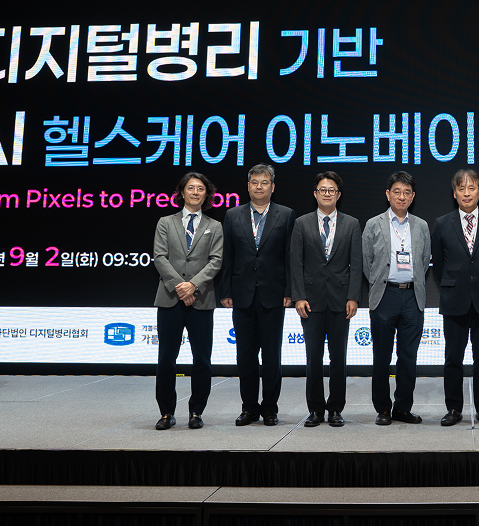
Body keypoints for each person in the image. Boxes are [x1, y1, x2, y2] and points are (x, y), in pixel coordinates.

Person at [218, 163, 297, 428]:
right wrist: (225, 290)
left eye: (264, 182)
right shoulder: (233, 214)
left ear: (272, 187)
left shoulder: (286, 215)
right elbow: (228, 256)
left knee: (272, 357)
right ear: (248, 186)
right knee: (245, 356)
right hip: (241, 294)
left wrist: (290, 291)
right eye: (255, 182)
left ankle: (270, 409)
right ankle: (249, 408)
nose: (259, 187)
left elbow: (290, 256)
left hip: (274, 294)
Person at [289, 171, 363, 428]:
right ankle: (315, 409)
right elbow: (295, 263)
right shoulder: (301, 223)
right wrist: (299, 296)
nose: (327, 193)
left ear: (338, 195)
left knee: (338, 359)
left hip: (341, 302)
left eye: (332, 190)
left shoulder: (352, 224)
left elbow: (357, 264)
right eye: (323, 189)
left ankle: (335, 409)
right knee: (313, 358)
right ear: (315, 193)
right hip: (311, 301)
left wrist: (353, 297)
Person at [431, 168, 479, 427]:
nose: (466, 193)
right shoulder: (442, 223)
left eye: (471, 188)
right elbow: (438, 266)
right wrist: (452, 285)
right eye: (461, 188)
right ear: (454, 193)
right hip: (454, 300)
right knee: (453, 359)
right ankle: (453, 408)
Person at [152, 171, 224, 431]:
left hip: (201, 300)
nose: (195, 192)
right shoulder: (165, 222)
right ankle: (166, 413)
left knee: (202, 360)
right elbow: (160, 257)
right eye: (191, 188)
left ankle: (196, 412)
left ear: (207, 195)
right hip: (170, 298)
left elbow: (216, 260)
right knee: (166, 359)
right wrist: (180, 286)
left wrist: (193, 285)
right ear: (182, 192)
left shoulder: (214, 226)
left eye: (200, 189)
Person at [362, 171, 431, 426]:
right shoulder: (373, 224)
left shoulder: (421, 226)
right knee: (382, 357)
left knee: (408, 357)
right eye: (397, 192)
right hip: (385, 295)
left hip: (412, 296)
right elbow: (366, 262)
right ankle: (383, 409)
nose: (401, 197)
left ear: (413, 197)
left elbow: (424, 262)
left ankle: (403, 408)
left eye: (407, 192)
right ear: (388, 194)